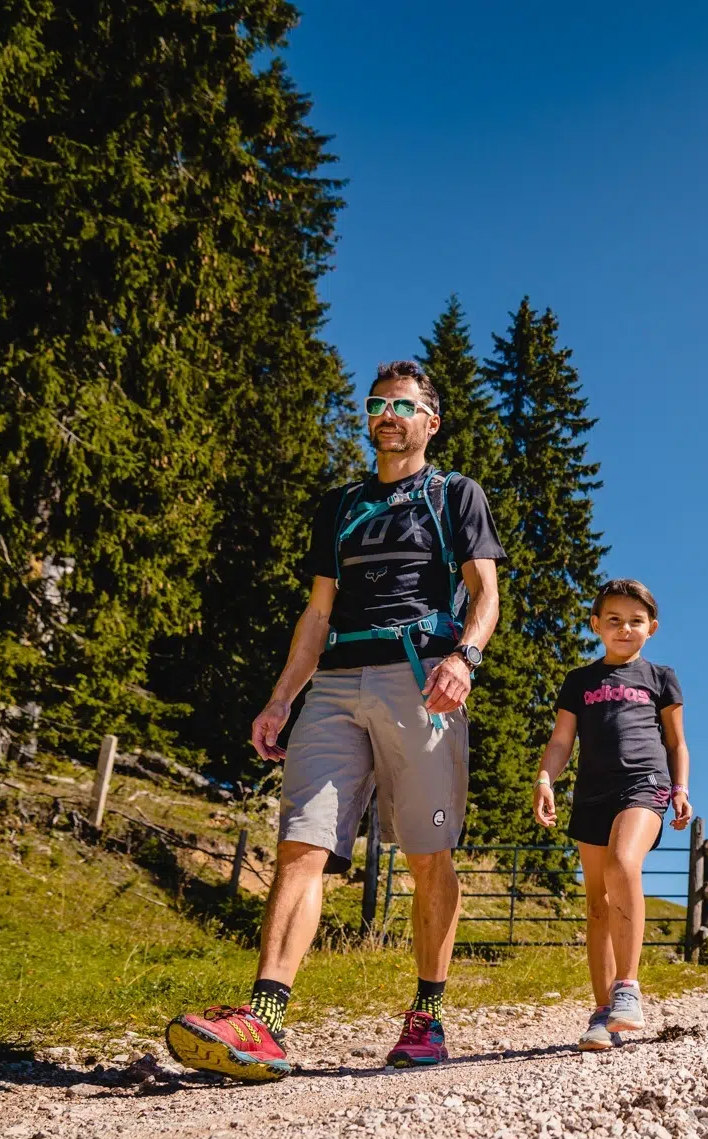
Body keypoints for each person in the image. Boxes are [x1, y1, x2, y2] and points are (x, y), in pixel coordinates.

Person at [166, 360, 503, 1081]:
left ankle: (427, 1015)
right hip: (335, 685)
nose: (387, 414)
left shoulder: (454, 495)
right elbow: (317, 612)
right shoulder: (340, 505)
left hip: (422, 681)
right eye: (378, 404)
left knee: (427, 854)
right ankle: (265, 1019)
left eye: (403, 405)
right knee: (302, 844)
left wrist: (465, 658)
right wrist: (282, 697)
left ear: (430, 421)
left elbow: (486, 595)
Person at [533, 579, 692, 1052]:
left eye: (636, 621)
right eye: (615, 620)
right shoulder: (580, 681)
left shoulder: (660, 677)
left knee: (625, 862)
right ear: (596, 625)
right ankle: (603, 1013)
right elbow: (562, 741)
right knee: (598, 903)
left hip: (646, 785)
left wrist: (680, 789)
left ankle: (628, 988)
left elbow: (676, 741)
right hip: (591, 794)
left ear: (652, 628)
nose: (625, 628)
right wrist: (545, 778)